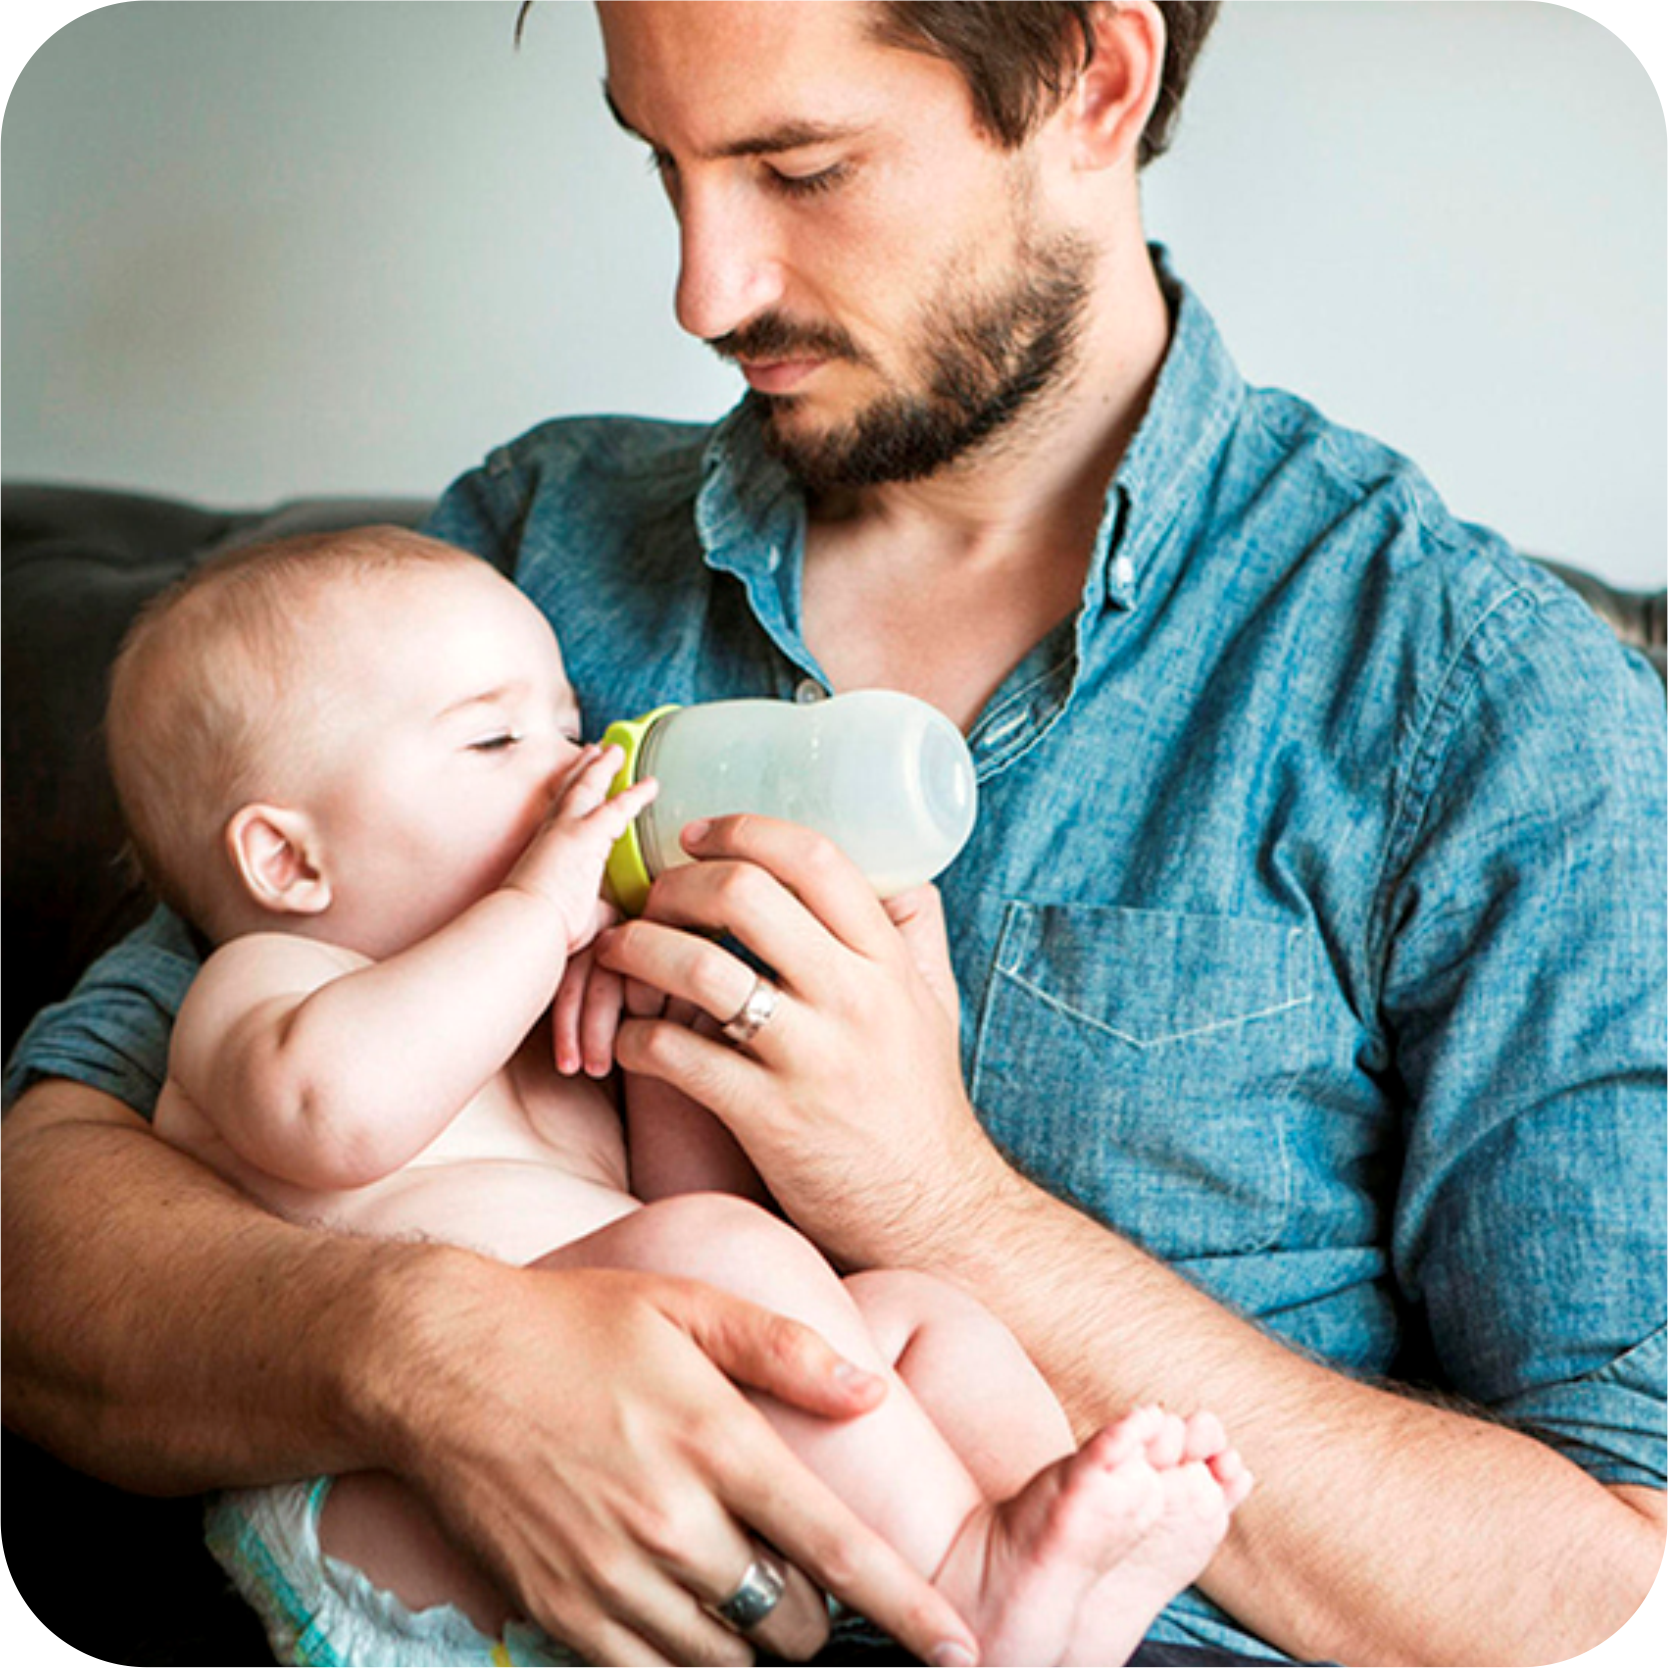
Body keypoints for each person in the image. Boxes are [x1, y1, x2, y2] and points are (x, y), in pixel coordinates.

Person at [3, 2, 1666, 1665]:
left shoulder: (1476, 695)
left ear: (1096, 77)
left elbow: (1612, 1580)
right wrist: (422, 1343)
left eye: (798, 169)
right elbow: (61, 1205)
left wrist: (942, 1207)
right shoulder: (524, 564)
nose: (701, 290)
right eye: (663, 165)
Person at [104, 523, 1251, 1668]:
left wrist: (676, 1050)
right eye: (495, 740)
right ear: (287, 863)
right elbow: (334, 1119)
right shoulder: (271, 983)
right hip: (403, 1501)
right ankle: (968, 1584)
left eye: (568, 722)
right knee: (715, 1256)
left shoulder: (541, 1011)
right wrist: (538, 919)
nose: (580, 773)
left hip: (663, 1459)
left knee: (914, 1314)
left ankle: (1041, 1553)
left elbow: (686, 1210)